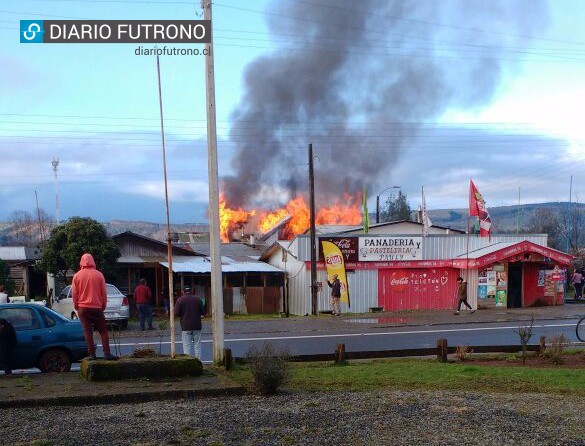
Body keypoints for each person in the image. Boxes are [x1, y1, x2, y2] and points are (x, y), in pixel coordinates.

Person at [72, 253, 118, 361]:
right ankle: (107, 353)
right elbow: (104, 294)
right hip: (97, 307)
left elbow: (75, 294)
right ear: (93, 261)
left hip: (83, 308)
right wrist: (103, 306)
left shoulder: (77, 276)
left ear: (81, 262)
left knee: (88, 332)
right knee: (103, 331)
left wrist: (77, 307)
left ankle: (92, 355)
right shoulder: (99, 275)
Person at [174, 286, 204, 359]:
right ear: (191, 291)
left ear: (183, 292)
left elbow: (176, 313)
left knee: (187, 346)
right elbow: (203, 312)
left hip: (185, 326)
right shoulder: (198, 299)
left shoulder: (180, 300)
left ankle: (188, 362)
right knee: (197, 346)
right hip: (197, 325)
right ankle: (199, 362)